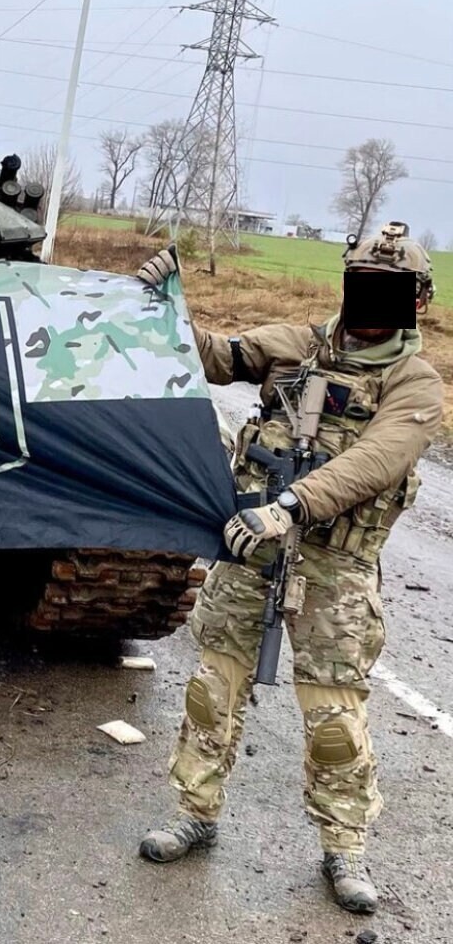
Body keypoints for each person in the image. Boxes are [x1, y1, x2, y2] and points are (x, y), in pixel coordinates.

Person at [132, 221, 443, 915]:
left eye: (388, 291)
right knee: (212, 690)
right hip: (251, 556)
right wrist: (163, 306)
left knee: (334, 721)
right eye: (362, 285)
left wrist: (293, 504)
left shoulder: (414, 383)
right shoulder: (302, 344)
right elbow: (215, 358)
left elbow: (376, 460)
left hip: (334, 574)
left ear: (417, 299)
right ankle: (195, 813)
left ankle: (344, 847)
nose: (371, 300)